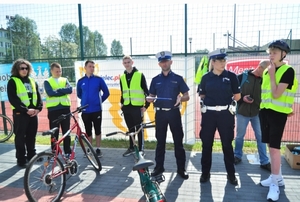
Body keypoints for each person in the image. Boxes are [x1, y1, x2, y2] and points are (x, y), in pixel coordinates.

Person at [259, 40, 298, 201]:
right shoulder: (268, 71)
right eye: (270, 52)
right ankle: (277, 178)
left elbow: (276, 94)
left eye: (274, 52)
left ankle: (275, 185)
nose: (271, 55)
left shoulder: (287, 70)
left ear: (284, 54)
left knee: (275, 149)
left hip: (278, 114)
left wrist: (273, 74)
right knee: (270, 146)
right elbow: (267, 94)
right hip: (266, 112)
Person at [198, 49, 241, 185]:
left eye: (224, 60)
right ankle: (205, 173)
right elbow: (202, 95)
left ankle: (231, 175)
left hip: (225, 115)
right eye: (220, 61)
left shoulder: (232, 76)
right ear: (213, 62)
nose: (223, 63)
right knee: (206, 145)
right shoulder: (205, 78)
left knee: (227, 145)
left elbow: (237, 96)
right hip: (209, 115)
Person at [146, 51, 189, 179]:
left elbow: (187, 95)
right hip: (160, 114)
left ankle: (181, 169)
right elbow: (152, 95)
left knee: (178, 142)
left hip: (174, 113)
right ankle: (159, 167)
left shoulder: (178, 78)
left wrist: (181, 98)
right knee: (160, 142)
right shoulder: (155, 80)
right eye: (162, 61)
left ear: (171, 62)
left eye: (166, 61)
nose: (164, 63)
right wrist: (149, 99)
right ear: (159, 64)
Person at [234, 60, 271, 171]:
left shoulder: (266, 80)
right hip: (242, 112)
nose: (268, 74)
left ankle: (264, 161)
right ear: (260, 67)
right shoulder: (241, 77)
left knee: (261, 137)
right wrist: (243, 98)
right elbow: (233, 93)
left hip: (257, 114)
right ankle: (237, 156)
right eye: (266, 71)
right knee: (240, 136)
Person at [7, 59, 43, 168]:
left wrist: (38, 108)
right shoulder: (13, 81)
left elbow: (38, 96)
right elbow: (13, 99)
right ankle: (21, 159)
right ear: (17, 69)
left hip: (33, 114)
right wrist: (26, 110)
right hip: (20, 113)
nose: (24, 70)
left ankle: (31, 155)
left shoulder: (32, 81)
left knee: (31, 135)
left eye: (26, 68)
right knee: (20, 137)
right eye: (22, 68)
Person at [77, 60, 110, 158]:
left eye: (93, 67)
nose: (92, 68)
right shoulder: (80, 81)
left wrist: (98, 102)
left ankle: (98, 149)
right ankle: (89, 148)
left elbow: (106, 93)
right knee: (88, 131)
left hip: (96, 110)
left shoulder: (99, 80)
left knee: (97, 130)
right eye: (90, 66)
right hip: (85, 111)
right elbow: (79, 94)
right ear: (85, 68)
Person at [120, 55, 150, 157]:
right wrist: (122, 104)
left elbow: (147, 92)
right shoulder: (122, 77)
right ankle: (132, 147)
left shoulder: (140, 75)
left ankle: (141, 149)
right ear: (123, 64)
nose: (127, 64)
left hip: (137, 107)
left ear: (132, 62)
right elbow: (123, 92)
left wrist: (146, 106)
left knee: (139, 129)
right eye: (125, 63)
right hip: (127, 107)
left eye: (128, 62)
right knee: (130, 129)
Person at [44, 62, 72, 157]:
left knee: (66, 132)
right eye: (56, 71)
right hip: (53, 110)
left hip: (65, 108)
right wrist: (62, 90)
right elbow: (50, 93)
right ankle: (54, 152)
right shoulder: (47, 81)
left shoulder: (65, 79)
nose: (59, 73)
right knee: (54, 132)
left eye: (60, 71)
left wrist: (58, 90)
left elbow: (70, 90)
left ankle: (67, 151)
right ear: (51, 71)